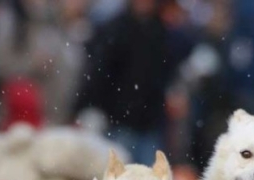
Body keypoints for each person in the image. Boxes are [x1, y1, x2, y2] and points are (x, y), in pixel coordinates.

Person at [75, 0, 178, 163]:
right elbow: (98, 73)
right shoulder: (115, 29)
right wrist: (87, 106)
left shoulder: (162, 33)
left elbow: (167, 75)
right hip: (119, 122)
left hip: (149, 125)